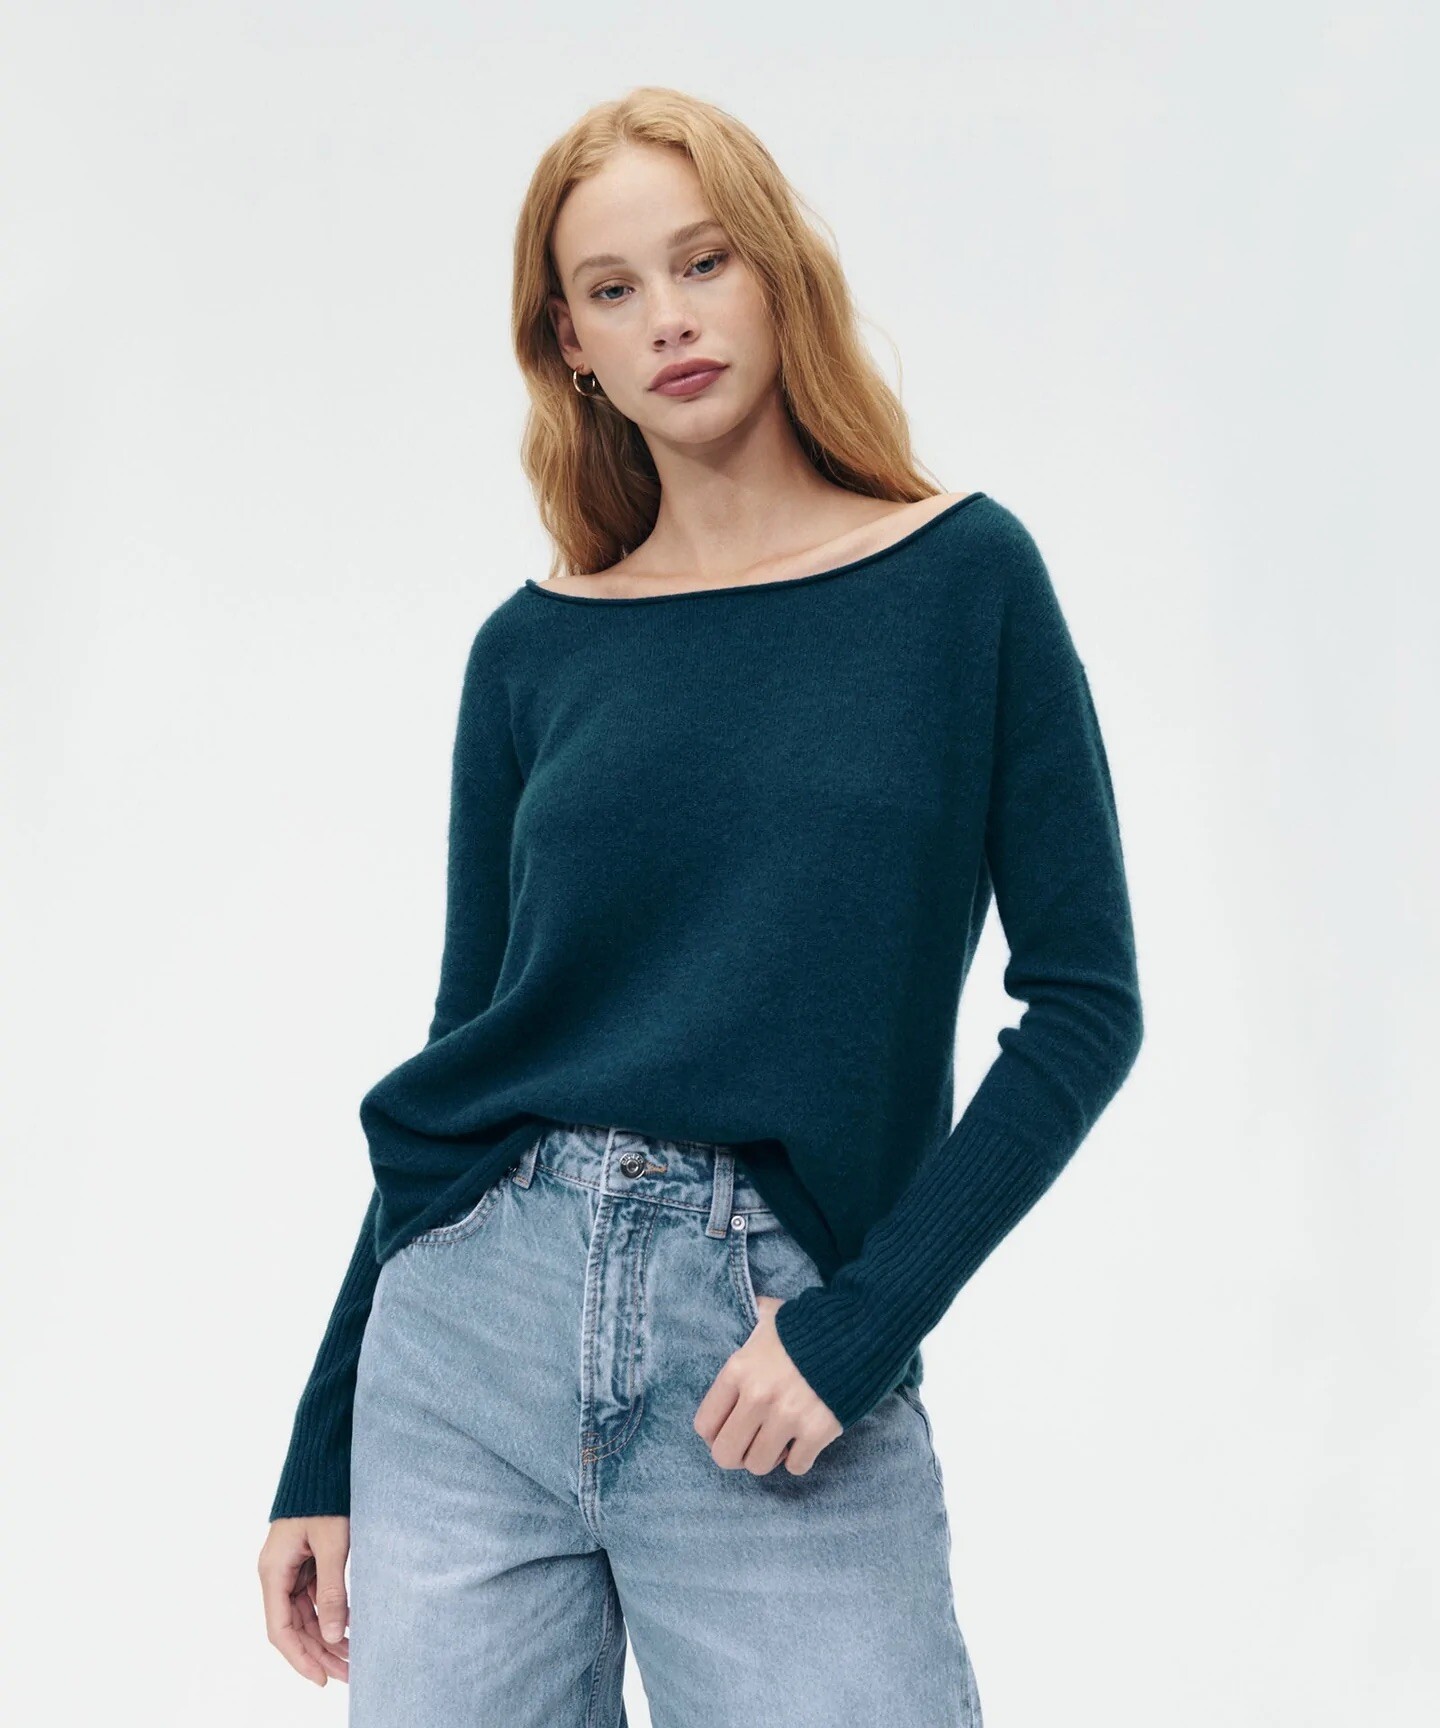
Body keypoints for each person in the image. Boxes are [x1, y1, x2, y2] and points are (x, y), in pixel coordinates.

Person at [257, 85, 1143, 1726]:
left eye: (702, 261)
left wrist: (862, 1326)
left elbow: (1087, 1005)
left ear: (777, 270)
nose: (666, 317)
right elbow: (463, 1058)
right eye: (611, 289)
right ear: (571, 347)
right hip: (466, 1352)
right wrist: (323, 1441)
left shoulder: (964, 580)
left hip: (766, 1347)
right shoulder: (533, 649)